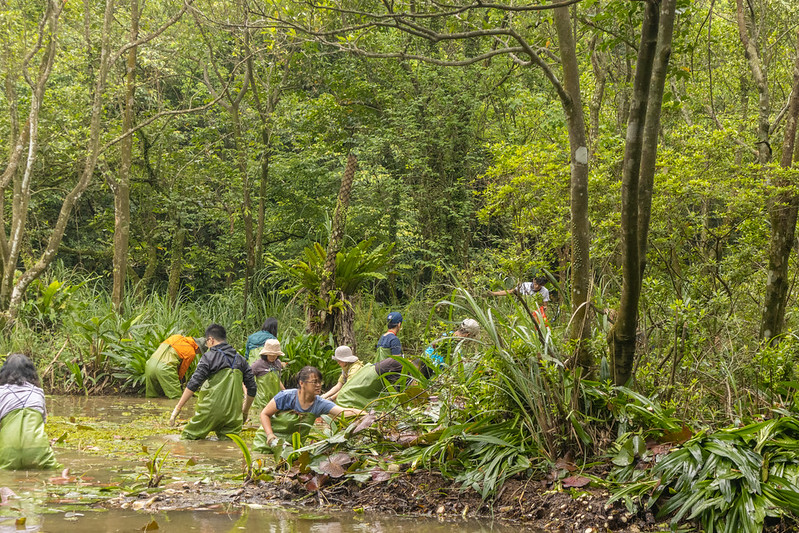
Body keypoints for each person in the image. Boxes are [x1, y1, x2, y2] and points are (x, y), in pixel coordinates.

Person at [169, 324, 256, 440]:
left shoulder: (209, 357)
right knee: (229, 444)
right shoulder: (241, 359)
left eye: (206, 342)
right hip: (233, 415)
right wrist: (244, 412)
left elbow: (194, 383)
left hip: (210, 411)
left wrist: (177, 408)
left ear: (211, 340)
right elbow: (252, 388)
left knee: (187, 439)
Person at [258, 366, 364, 448]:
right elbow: (264, 414)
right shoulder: (286, 396)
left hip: (290, 448)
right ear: (302, 383)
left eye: (320, 382)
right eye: (314, 382)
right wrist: (269, 434)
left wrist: (368, 414)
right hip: (265, 443)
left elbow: (344, 412)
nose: (318, 385)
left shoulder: (320, 404)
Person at [0, 354, 58, 469]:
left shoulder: (1, 393)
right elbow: (42, 423)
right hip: (38, 452)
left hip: (8, 452)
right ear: (32, 374)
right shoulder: (38, 393)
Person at [144, 335, 206, 399]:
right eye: (199, 352)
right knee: (176, 398)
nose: (197, 353)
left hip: (150, 364)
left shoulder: (175, 337)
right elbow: (182, 370)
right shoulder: (190, 352)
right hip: (165, 368)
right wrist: (179, 383)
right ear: (198, 348)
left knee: (151, 396)